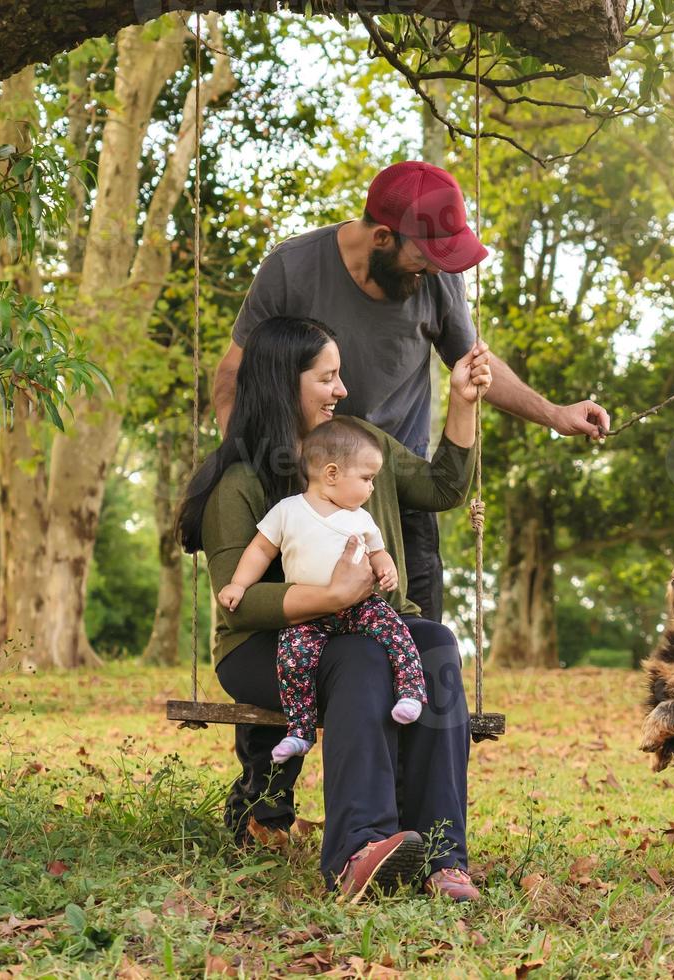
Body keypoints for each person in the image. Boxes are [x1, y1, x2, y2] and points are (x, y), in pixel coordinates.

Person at [214, 160, 612, 623]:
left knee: (419, 639)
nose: (432, 272)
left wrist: (555, 415)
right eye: (423, 258)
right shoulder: (291, 268)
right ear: (382, 237)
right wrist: (244, 457)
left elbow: (473, 363)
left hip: (402, 488)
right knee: (311, 639)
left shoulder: (439, 276)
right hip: (306, 486)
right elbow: (232, 374)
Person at [178, 315, 491, 903]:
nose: (341, 390)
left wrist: (465, 403)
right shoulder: (241, 481)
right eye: (328, 377)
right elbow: (239, 604)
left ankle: (443, 854)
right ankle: (357, 850)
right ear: (283, 382)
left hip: (359, 628)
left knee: (437, 644)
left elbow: (445, 488)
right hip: (262, 649)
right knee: (359, 658)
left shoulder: (356, 448)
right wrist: (333, 596)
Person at [217, 418, 428, 764]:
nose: (372, 488)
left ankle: (410, 692)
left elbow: (377, 552)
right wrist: (239, 584)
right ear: (332, 474)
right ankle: (300, 731)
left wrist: (386, 567)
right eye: (366, 478)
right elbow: (259, 550)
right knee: (293, 660)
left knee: (396, 632)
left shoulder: (360, 517)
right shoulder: (287, 512)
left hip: (359, 607)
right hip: (309, 614)